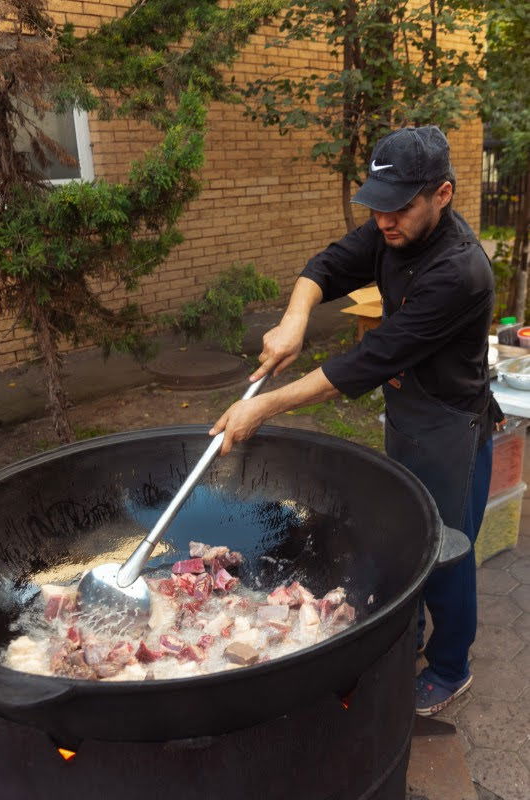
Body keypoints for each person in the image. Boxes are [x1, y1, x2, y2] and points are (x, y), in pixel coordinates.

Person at [209, 125, 502, 716]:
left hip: (451, 426)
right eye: (377, 207)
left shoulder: (460, 271)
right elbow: (327, 265)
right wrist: (295, 319)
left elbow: (367, 360)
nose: (384, 221)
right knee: (406, 532)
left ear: (441, 195)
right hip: (409, 413)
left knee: (447, 549)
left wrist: (262, 405)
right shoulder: (390, 231)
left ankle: (450, 668)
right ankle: (406, 635)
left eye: (398, 208)